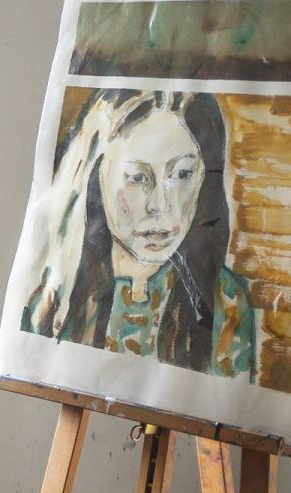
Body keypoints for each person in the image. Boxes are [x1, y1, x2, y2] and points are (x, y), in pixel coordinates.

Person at [20, 88, 256, 379]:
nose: (160, 205)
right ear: (96, 176)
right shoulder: (53, 298)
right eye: (137, 178)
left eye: (182, 174)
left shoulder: (225, 301)